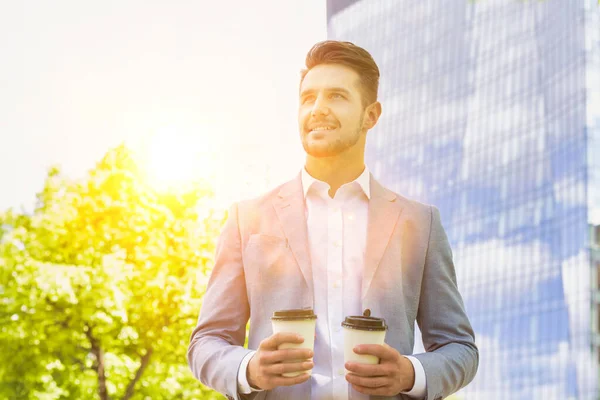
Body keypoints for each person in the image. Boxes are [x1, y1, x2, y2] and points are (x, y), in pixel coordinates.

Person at [187, 40, 478, 400]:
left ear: (371, 115)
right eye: (308, 98)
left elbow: (459, 348)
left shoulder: (420, 222)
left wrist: (411, 373)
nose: (318, 109)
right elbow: (206, 342)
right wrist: (249, 369)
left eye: (337, 96)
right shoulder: (247, 219)